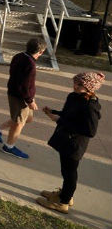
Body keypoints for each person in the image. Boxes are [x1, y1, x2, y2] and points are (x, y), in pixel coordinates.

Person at [36, 71, 104, 214]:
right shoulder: (74, 97)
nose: (74, 85)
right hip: (66, 140)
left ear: (89, 87)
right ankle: (66, 195)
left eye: (79, 84)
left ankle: (63, 202)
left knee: (69, 172)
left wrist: (60, 120)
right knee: (65, 171)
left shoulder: (91, 106)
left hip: (75, 145)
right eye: (75, 82)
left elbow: (90, 131)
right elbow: (69, 114)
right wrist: (53, 112)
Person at [0, 38, 45, 159]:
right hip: (20, 96)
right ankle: (9, 146)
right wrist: (30, 101)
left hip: (18, 92)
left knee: (27, 118)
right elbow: (24, 85)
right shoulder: (31, 65)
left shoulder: (19, 56)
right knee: (19, 122)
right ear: (41, 51)